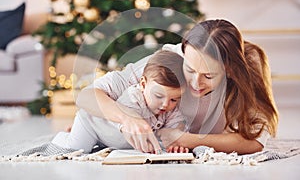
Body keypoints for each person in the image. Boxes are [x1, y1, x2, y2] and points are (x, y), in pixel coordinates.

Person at [76, 19, 279, 154]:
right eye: (189, 70)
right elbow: (86, 96)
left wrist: (188, 140)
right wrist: (125, 117)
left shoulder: (248, 67)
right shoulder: (169, 62)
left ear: (229, 70)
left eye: (208, 76)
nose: (195, 83)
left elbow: (255, 142)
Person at [52, 50, 188, 153]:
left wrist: (176, 145)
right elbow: (122, 121)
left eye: (174, 99)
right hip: (92, 124)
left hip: (111, 140)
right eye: (158, 96)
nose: (165, 104)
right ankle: (63, 137)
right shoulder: (134, 97)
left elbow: (173, 133)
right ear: (143, 84)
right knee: (77, 148)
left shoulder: (172, 110)